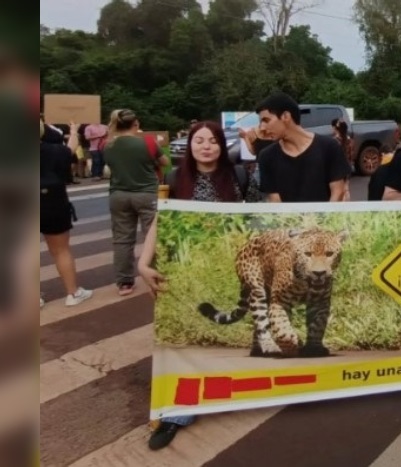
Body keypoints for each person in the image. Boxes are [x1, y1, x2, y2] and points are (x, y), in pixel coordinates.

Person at [138, 121, 262, 451]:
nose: (205, 146)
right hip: (184, 271)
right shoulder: (174, 179)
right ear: (190, 146)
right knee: (185, 336)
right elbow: (160, 222)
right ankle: (177, 413)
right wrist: (142, 262)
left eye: (212, 141)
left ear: (222, 146)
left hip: (228, 269)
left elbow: (258, 217)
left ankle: (230, 388)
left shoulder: (238, 177)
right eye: (199, 141)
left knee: (229, 332)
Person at [103, 109, 166, 296]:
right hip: (147, 194)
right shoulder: (147, 142)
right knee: (152, 237)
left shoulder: (107, 145)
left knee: (122, 239)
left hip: (118, 195)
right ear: (136, 124)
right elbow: (164, 162)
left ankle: (124, 282)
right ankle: (155, 275)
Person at [255, 93, 350, 202]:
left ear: (286, 116)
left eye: (266, 120)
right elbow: (275, 201)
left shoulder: (329, 147)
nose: (261, 128)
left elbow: (338, 192)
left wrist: (324, 218)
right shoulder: (267, 157)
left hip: (325, 218)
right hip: (288, 219)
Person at [40, 122, 93, 307]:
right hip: (52, 202)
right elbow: (72, 147)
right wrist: (73, 131)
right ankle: (73, 293)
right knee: (61, 250)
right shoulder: (55, 150)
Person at [330, 118, 354, 200]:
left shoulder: (334, 141)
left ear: (335, 128)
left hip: (337, 170)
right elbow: (351, 156)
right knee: (346, 189)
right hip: (347, 169)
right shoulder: (349, 140)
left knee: (337, 192)